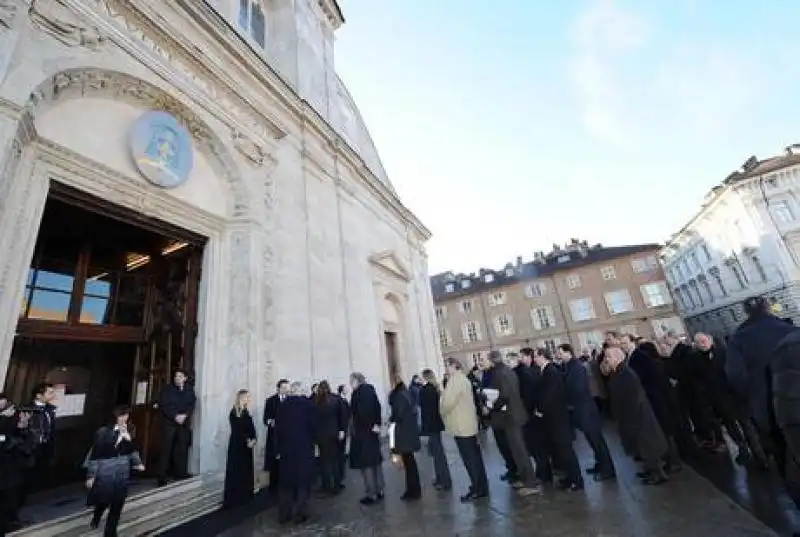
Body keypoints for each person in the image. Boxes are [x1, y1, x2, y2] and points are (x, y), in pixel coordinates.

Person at [726, 296, 797, 465]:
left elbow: (735, 375)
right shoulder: (790, 330)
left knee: (783, 458)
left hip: (765, 407)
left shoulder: (738, 338)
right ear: (769, 307)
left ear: (746, 312)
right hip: (795, 400)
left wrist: (751, 398)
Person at [604, 347, 668, 485]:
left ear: (618, 357)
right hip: (632, 415)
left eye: (609, 357)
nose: (606, 360)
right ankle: (650, 470)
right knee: (641, 446)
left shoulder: (626, 373)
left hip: (637, 415)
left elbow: (633, 396)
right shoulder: (618, 372)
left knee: (648, 446)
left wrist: (628, 415)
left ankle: (658, 474)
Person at [480, 351, 540, 497]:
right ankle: (525, 478)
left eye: (483, 359)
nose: (481, 362)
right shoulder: (500, 372)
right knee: (515, 451)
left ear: (492, 360)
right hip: (508, 417)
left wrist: (490, 407)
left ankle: (531, 482)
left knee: (520, 451)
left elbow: (504, 395)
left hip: (512, 417)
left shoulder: (502, 373)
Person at [558, 343, 616, 481]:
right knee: (592, 441)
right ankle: (600, 464)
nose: (558, 355)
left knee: (597, 441)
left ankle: (607, 469)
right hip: (582, 410)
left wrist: (567, 398)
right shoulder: (570, 367)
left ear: (568, 352)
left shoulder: (577, 367)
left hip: (586, 410)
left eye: (560, 352)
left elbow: (578, 388)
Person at [85, 406, 145, 537]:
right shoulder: (103, 432)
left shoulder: (130, 429)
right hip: (106, 470)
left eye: (127, 415)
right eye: (121, 416)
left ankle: (110, 533)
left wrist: (137, 462)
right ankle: (96, 516)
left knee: (118, 503)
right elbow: (96, 454)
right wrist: (91, 476)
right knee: (104, 500)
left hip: (122, 471)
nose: (124, 419)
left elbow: (132, 450)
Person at [531, 349, 583, 491]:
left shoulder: (551, 371)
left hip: (558, 419)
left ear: (543, 357)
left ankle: (577, 481)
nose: (534, 359)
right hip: (553, 419)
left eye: (536, 356)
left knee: (566, 452)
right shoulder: (546, 370)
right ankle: (569, 478)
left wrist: (540, 410)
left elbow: (549, 394)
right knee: (561, 452)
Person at [440, 358, 489, 502]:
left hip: (461, 426)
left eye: (447, 366)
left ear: (454, 366)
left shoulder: (455, 380)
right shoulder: (464, 379)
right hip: (468, 424)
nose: (446, 369)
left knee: (470, 459)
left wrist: (441, 408)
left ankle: (477, 488)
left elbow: (448, 402)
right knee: (475, 457)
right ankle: (481, 486)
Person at [275, 382, 316, 525]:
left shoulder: (282, 406)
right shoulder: (307, 405)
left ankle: (284, 515)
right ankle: (300, 514)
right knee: (303, 482)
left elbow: (277, 429)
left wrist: (278, 449)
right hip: (304, 448)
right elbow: (313, 426)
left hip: (286, 450)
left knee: (286, 483)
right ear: (300, 391)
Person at [348, 373, 385, 505]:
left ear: (356, 381)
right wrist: (376, 424)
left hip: (362, 433)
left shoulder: (357, 394)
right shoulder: (371, 390)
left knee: (366, 464)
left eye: (351, 381)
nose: (350, 383)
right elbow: (377, 408)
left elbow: (361, 413)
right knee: (376, 462)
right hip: (373, 432)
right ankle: (380, 489)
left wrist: (369, 426)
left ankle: (371, 493)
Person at [0, 395, 34, 536]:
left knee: (7, 504)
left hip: (11, 474)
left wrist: (23, 428)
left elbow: (26, 446)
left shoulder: (16, 424)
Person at [157, 369, 196, 486]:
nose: (177, 378)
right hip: (170, 422)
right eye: (176, 376)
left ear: (185, 378)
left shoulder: (189, 390)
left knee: (182, 447)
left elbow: (192, 403)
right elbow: (164, 404)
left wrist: (185, 415)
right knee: (166, 449)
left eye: (180, 376)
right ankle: (162, 476)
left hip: (183, 422)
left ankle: (180, 473)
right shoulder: (168, 389)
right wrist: (175, 416)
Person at [388, 378, 422, 500]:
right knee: (410, 462)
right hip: (408, 433)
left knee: (409, 463)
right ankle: (414, 489)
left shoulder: (399, 396)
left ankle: (413, 491)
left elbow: (399, 414)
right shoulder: (405, 393)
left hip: (404, 433)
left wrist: (391, 419)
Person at [223, 389, 257, 509]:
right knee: (236, 469)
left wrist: (253, 439)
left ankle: (246, 494)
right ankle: (236, 496)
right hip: (237, 445)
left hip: (247, 446)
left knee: (246, 469)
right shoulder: (234, 413)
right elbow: (237, 430)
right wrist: (248, 439)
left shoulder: (247, 411)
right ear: (241, 398)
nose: (249, 399)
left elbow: (251, 428)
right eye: (247, 397)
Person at [419, 369, 452, 491]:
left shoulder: (425, 390)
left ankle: (444, 480)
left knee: (438, 454)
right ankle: (440, 477)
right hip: (435, 424)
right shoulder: (434, 388)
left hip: (431, 425)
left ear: (425, 377)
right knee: (436, 452)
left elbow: (423, 407)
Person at [313, 381, 347, 495]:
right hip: (334, 433)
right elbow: (342, 415)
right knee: (335, 460)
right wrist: (342, 430)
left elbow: (314, 421)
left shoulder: (316, 401)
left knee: (324, 461)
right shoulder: (336, 399)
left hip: (321, 436)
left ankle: (326, 485)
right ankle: (337, 484)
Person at [263, 379, 289, 494]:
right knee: (274, 461)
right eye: (283, 387)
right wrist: (270, 421)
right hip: (274, 436)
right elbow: (266, 419)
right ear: (278, 388)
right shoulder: (270, 401)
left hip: (287, 436)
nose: (285, 389)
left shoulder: (290, 401)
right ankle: (273, 487)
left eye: (287, 387)